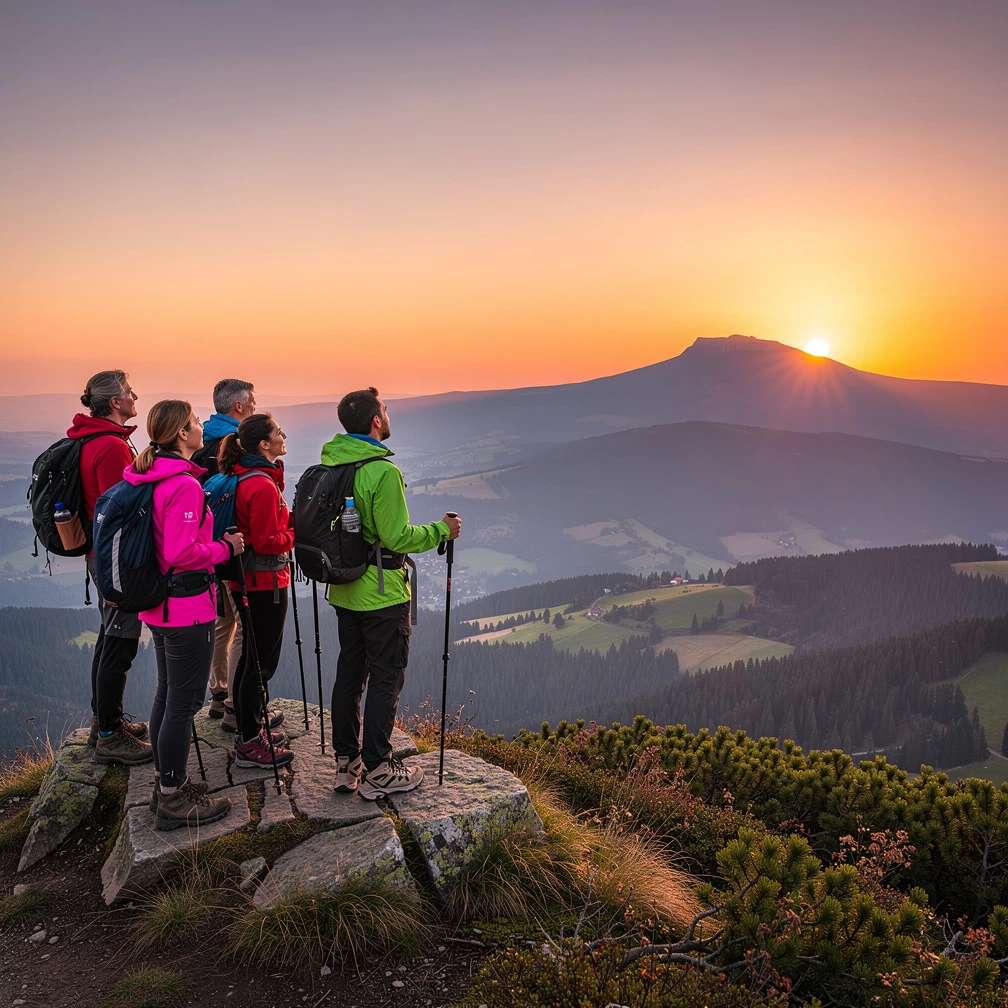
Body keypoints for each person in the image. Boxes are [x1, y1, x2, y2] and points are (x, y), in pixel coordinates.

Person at [323, 388, 461, 800]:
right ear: (375, 422)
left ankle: (347, 764)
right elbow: (396, 536)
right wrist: (441, 530)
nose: (387, 413)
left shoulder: (332, 465)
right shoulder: (380, 471)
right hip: (381, 594)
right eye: (384, 409)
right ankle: (380, 769)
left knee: (350, 674)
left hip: (344, 590)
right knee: (387, 675)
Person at [122, 399, 245, 829]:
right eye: (194, 424)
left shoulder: (148, 475)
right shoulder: (185, 485)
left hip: (159, 605)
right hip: (186, 607)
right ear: (181, 434)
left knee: (166, 695)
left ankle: (166, 784)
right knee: (185, 702)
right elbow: (180, 551)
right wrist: (225, 548)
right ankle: (174, 798)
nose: (200, 429)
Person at [68, 370, 151, 764]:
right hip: (114, 560)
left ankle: (105, 721)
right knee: (120, 642)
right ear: (115, 403)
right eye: (129, 392)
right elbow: (120, 507)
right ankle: (108, 734)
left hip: (100, 557)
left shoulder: (92, 439)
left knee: (108, 636)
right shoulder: (112, 447)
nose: (134, 396)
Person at [218, 413, 296, 769]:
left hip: (244, 581)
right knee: (260, 663)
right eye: (277, 432)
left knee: (252, 657)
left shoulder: (242, 478)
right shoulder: (261, 485)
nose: (283, 436)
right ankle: (249, 741)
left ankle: (248, 731)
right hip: (265, 583)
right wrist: (297, 535)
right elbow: (267, 543)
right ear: (264, 445)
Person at [192, 379, 255, 724]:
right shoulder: (237, 446)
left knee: (223, 621)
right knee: (244, 626)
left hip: (205, 548)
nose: (256, 407)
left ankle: (219, 694)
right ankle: (235, 704)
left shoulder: (201, 443)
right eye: (253, 402)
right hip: (234, 547)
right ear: (240, 406)